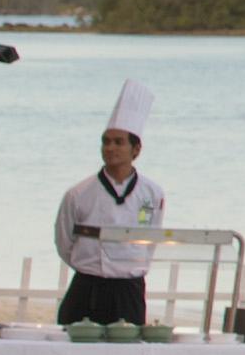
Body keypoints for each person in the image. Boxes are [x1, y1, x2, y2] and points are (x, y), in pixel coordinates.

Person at [53, 98, 166, 327]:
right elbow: (64, 242)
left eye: (118, 142)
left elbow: (151, 238)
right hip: (88, 286)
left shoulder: (153, 193)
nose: (110, 148)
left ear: (136, 149)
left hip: (129, 289)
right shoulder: (78, 193)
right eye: (106, 142)